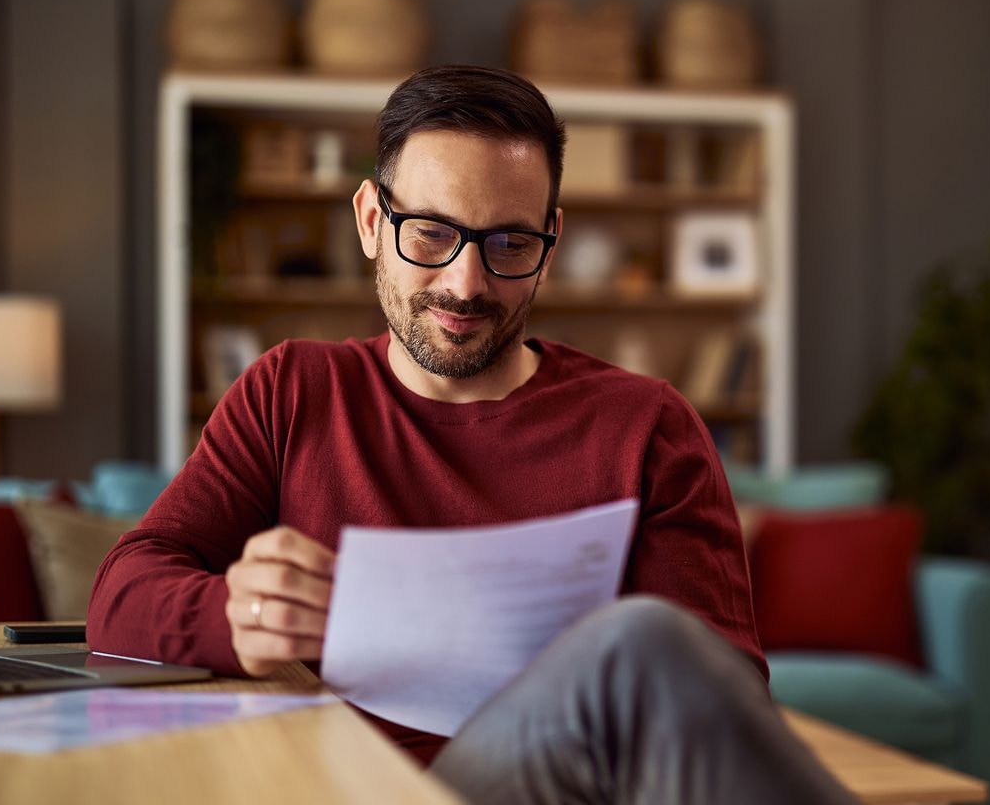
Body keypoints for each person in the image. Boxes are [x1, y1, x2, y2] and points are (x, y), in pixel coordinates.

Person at [89, 65, 857, 804]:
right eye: (430, 233)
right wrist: (237, 615)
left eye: (509, 244)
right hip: (329, 784)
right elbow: (120, 596)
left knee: (646, 644)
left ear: (550, 241)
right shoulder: (292, 391)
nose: (466, 283)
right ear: (369, 220)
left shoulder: (649, 426)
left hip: (541, 785)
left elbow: (715, 699)